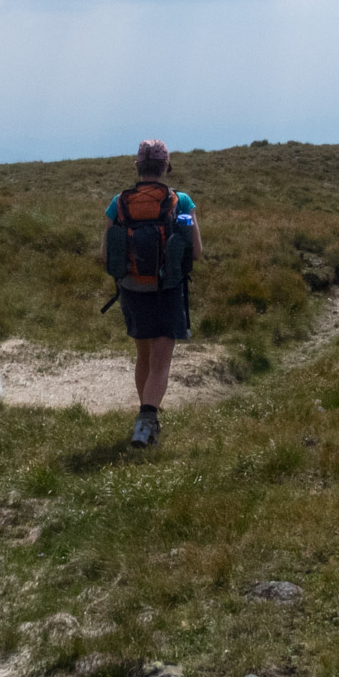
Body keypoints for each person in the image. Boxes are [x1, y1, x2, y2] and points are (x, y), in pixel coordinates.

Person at [100, 139, 204, 448]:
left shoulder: (118, 203)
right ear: (166, 167)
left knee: (143, 355)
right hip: (167, 288)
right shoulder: (181, 201)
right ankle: (146, 422)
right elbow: (196, 252)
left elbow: (106, 254)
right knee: (162, 360)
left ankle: (146, 412)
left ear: (138, 167)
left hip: (131, 289)